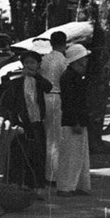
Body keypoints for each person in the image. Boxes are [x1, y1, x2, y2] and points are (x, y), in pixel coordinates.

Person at [0, 50, 51, 191]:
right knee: (19, 155)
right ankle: (15, 185)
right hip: (21, 124)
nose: (29, 66)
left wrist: (37, 77)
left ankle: (34, 186)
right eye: (26, 63)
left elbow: (49, 87)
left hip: (37, 122)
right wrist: (11, 120)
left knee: (37, 155)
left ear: (38, 65)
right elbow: (5, 104)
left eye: (32, 63)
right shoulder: (16, 82)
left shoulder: (39, 82)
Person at [55, 44, 92, 197]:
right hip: (72, 121)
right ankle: (65, 186)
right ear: (78, 61)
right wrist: (75, 121)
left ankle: (78, 184)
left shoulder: (74, 76)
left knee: (80, 154)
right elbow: (70, 102)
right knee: (70, 155)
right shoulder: (69, 77)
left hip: (77, 119)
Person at [39, 30, 69, 186]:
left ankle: (43, 171)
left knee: (44, 135)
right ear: (64, 43)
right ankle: (52, 175)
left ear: (51, 43)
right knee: (55, 137)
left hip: (43, 98)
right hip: (57, 97)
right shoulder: (64, 61)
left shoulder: (44, 59)